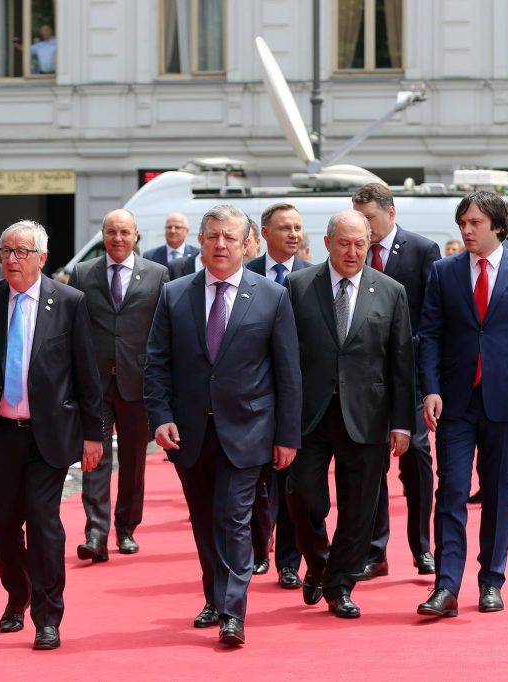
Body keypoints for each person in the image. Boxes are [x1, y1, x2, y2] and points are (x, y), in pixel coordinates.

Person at [0, 220, 103, 651]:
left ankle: (49, 616)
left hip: (50, 434)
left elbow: (88, 375)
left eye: (21, 252)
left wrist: (94, 434)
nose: (11, 259)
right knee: (4, 526)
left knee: (46, 524)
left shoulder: (69, 302)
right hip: (1, 433)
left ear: (42, 259)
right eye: (6, 251)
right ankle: (18, 593)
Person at [144, 204, 302, 647]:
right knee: (203, 519)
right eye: (212, 236)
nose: (220, 244)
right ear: (200, 239)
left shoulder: (271, 296)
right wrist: (161, 418)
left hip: (249, 429)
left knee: (232, 518)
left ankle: (233, 611)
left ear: (248, 244)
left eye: (229, 237)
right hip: (190, 433)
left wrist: (288, 435)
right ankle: (214, 596)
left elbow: (288, 372)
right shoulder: (175, 294)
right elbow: (156, 363)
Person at [417, 191, 508, 618]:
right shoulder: (444, 272)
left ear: (499, 226)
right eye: (463, 222)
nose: (466, 230)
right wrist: (431, 388)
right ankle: (446, 587)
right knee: (452, 491)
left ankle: (491, 581)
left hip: (505, 399)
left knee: (497, 492)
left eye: (475, 222)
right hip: (455, 402)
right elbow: (430, 336)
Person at [284, 210, 415, 619]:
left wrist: (402, 422)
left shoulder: (391, 291)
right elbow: (284, 356)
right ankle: (319, 562)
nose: (353, 251)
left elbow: (401, 362)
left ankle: (339, 585)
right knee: (302, 495)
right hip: (310, 413)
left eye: (360, 244)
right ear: (327, 244)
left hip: (368, 414)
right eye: (344, 243)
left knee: (359, 508)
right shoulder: (297, 285)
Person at [68, 209, 168, 562]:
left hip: (137, 381)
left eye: (125, 232)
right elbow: (74, 328)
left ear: (136, 235)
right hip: (94, 382)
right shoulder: (82, 273)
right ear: (103, 234)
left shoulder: (157, 275)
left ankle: (126, 527)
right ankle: (95, 533)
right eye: (112, 232)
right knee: (93, 457)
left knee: (132, 461)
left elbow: (162, 331)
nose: (118, 238)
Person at [352, 183, 441, 580]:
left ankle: (422, 548)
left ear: (390, 212)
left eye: (368, 218)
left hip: (411, 377)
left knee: (417, 458)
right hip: (367, 380)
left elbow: (432, 315)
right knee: (371, 466)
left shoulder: (422, 250)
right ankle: (376, 551)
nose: (363, 227)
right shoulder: (352, 253)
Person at [244, 202, 309, 589]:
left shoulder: (313, 276)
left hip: (298, 395)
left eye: (299, 228)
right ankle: (255, 551)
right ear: (264, 233)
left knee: (293, 483)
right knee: (255, 482)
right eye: (285, 228)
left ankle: (289, 561)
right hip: (254, 396)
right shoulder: (245, 274)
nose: (294, 235)